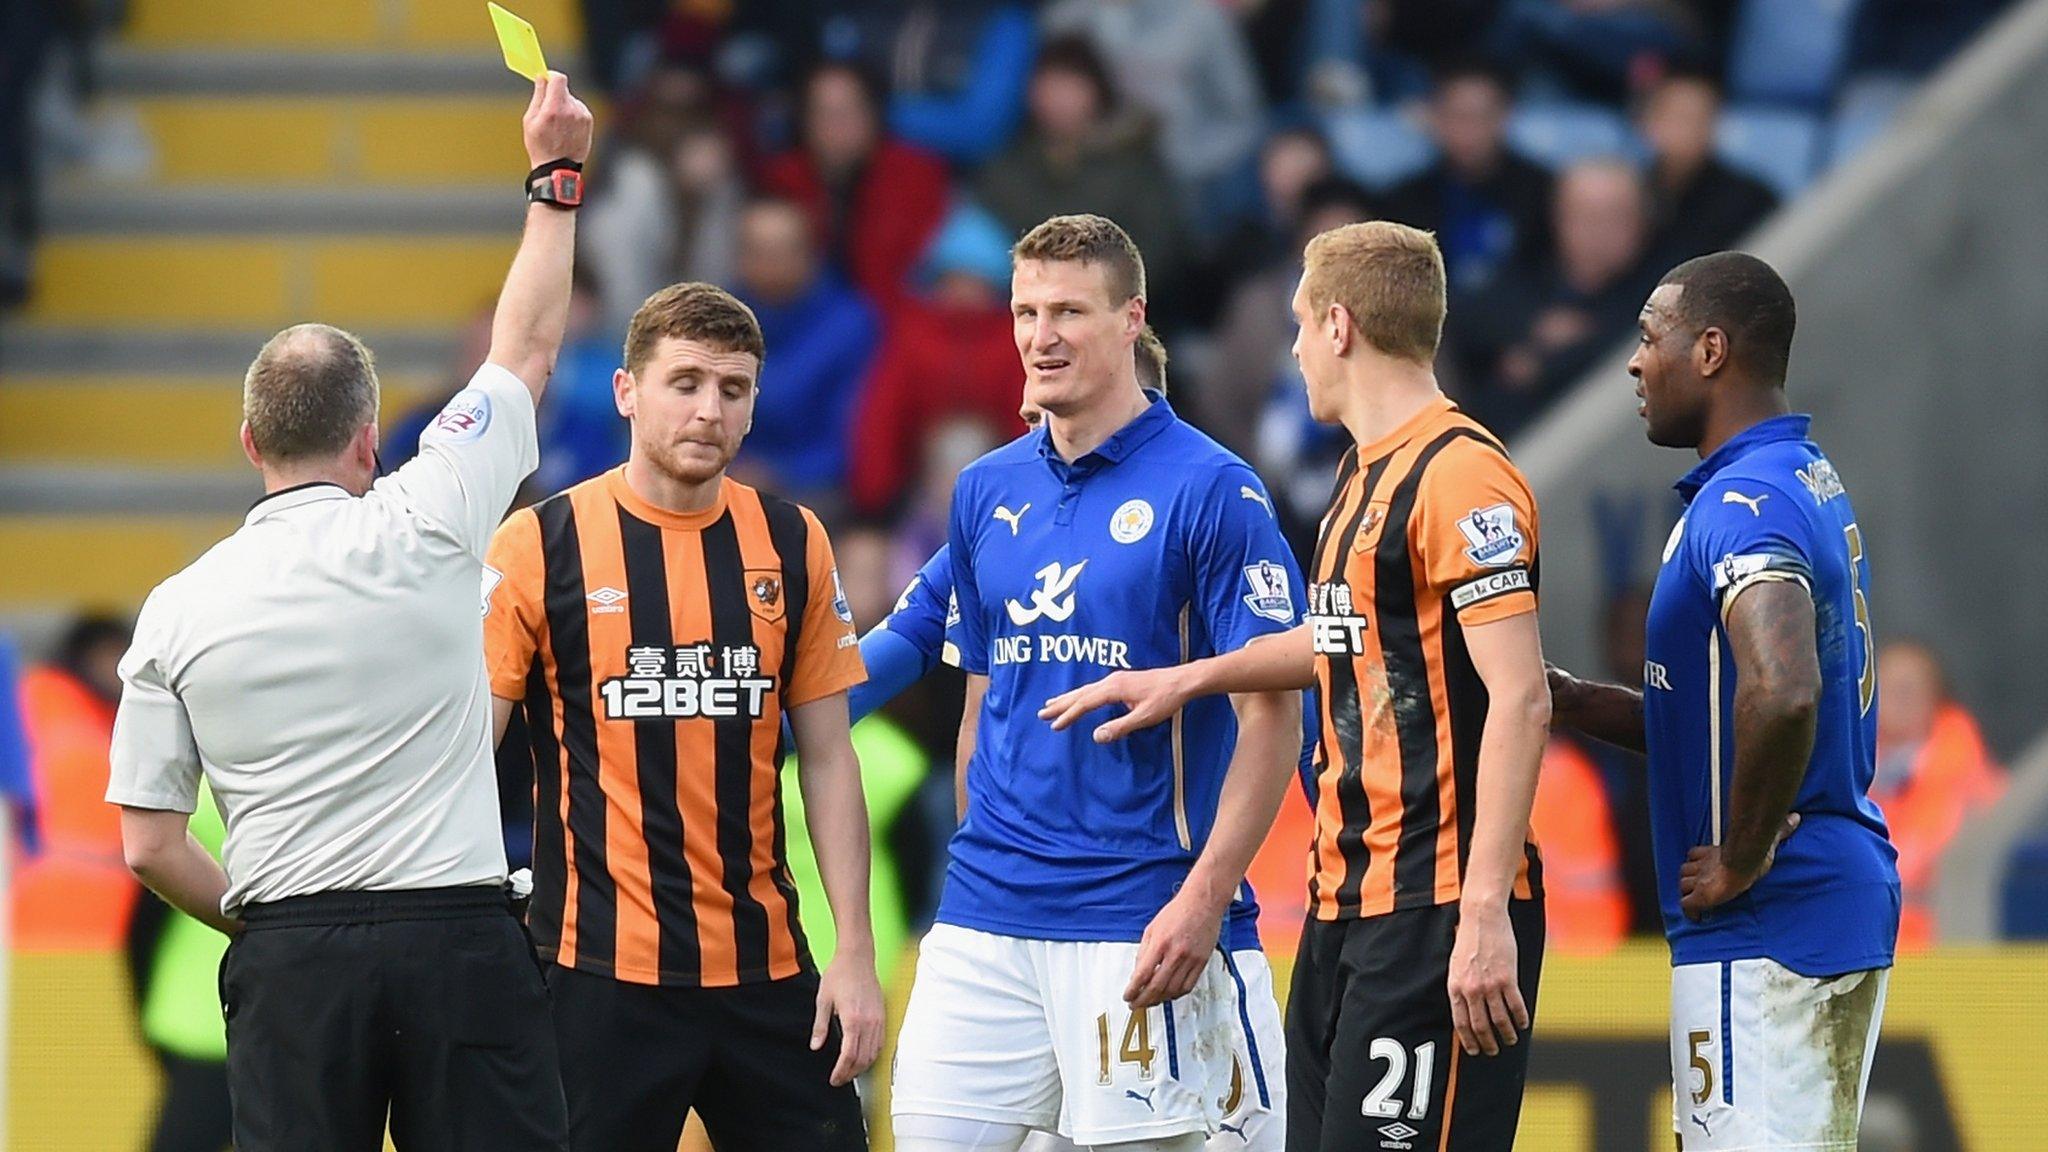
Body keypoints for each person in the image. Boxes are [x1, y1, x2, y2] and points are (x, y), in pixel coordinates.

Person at [105, 73, 592, 1152]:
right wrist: (553, 181)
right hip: (459, 941)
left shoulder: (176, 610)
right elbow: (523, 352)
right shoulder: (426, 517)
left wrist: (269, 921)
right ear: (371, 441)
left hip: (292, 954)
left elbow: (146, 845)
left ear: (249, 444)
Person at [1043, 221, 1552, 1151]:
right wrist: (1190, 678)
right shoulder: (1362, 476)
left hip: (1435, 909)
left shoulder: (1462, 476)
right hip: (1344, 903)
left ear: (1341, 326)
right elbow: (1342, 643)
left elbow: (1521, 697)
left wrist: (1483, 913)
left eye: (1299, 326)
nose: (1294, 350)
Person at [889, 214, 1304, 1152]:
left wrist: (1203, 901)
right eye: (1025, 311)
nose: (1042, 336)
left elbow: (1272, 714)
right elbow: (978, 710)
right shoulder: (984, 490)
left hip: (1140, 916)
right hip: (984, 920)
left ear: (1131, 320)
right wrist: (976, 858)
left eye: (1070, 311)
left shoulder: (1213, 487)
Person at [483, 280, 885, 1152]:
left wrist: (853, 951)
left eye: (733, 390)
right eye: (686, 382)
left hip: (768, 971)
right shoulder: (540, 543)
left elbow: (826, 756)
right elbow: (469, 753)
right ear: (627, 392)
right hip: (597, 977)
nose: (710, 410)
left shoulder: (793, 541)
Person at [1546, 251, 1901, 1149]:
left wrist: (1741, 857)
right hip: (1811, 909)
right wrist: (1576, 701)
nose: (1635, 362)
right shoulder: (1794, 476)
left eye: (1648, 336)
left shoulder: (1744, 502)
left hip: (1773, 920)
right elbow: (1714, 716)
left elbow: (1783, 695)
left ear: (1710, 350)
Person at [973, 34, 1191, 326]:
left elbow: (1159, 244)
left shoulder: (1133, 162)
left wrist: (1095, 289)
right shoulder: (1007, 162)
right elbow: (988, 242)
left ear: (1097, 89)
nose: (1059, 100)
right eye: (1048, 86)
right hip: (1022, 314)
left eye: (1070, 86)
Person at [1451, 158, 1658, 439]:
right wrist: (1533, 331)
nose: (1598, 231)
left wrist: (1543, 360)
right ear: (1557, 217)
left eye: (1614, 216)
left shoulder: (1663, 289)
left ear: (1642, 221)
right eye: (1584, 216)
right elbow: (1465, 320)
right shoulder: (1525, 273)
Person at [760, 59, 949, 312]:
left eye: (848, 111)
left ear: (874, 113)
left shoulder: (916, 175)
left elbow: (922, 274)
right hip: (804, 321)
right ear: (804, 120)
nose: (837, 125)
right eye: (824, 113)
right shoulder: (783, 179)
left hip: (898, 322)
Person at [730, 195, 882, 505]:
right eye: (757, 251)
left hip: (815, 488)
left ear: (810, 254)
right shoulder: (717, 319)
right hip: (725, 476)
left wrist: (780, 475)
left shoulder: (850, 326)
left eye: (780, 251)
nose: (768, 263)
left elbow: (853, 435)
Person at [1380, 60, 1553, 295]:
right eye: (1457, 115)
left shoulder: (1543, 192)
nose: (1468, 130)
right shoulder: (1403, 201)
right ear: (1435, 117)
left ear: (1505, 116)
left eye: (1480, 116)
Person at [1872, 640, 2003, 949]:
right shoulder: (1846, 771)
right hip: (1865, 956)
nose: (1897, 700)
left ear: (1935, 698)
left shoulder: (1973, 783)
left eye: (1909, 689)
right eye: (1887, 688)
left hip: (1946, 962)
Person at [1637, 65, 1778, 269]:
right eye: (1679, 117)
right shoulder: (1632, 193)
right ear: (1649, 122)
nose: (1690, 130)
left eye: (1702, 118)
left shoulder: (1751, 200)